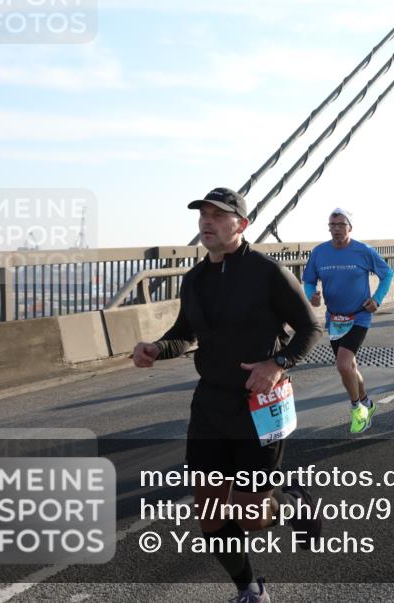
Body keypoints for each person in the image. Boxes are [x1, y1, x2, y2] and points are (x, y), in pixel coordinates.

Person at [132, 187, 324, 603]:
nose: (207, 222)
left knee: (251, 516)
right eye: (203, 215)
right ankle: (250, 589)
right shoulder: (195, 279)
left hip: (258, 406)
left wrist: (277, 364)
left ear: (242, 224)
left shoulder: (267, 272)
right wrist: (156, 348)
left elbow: (312, 329)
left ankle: (292, 502)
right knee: (210, 513)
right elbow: (184, 334)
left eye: (218, 215)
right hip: (210, 406)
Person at [302, 208, 394, 434]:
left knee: (343, 364)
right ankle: (367, 404)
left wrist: (377, 299)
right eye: (332, 225)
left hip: (359, 316)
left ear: (350, 227)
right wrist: (312, 296)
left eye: (341, 225)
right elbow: (309, 281)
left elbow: (387, 274)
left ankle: (357, 410)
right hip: (334, 318)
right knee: (349, 367)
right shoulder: (319, 253)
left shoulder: (363, 251)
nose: (336, 229)